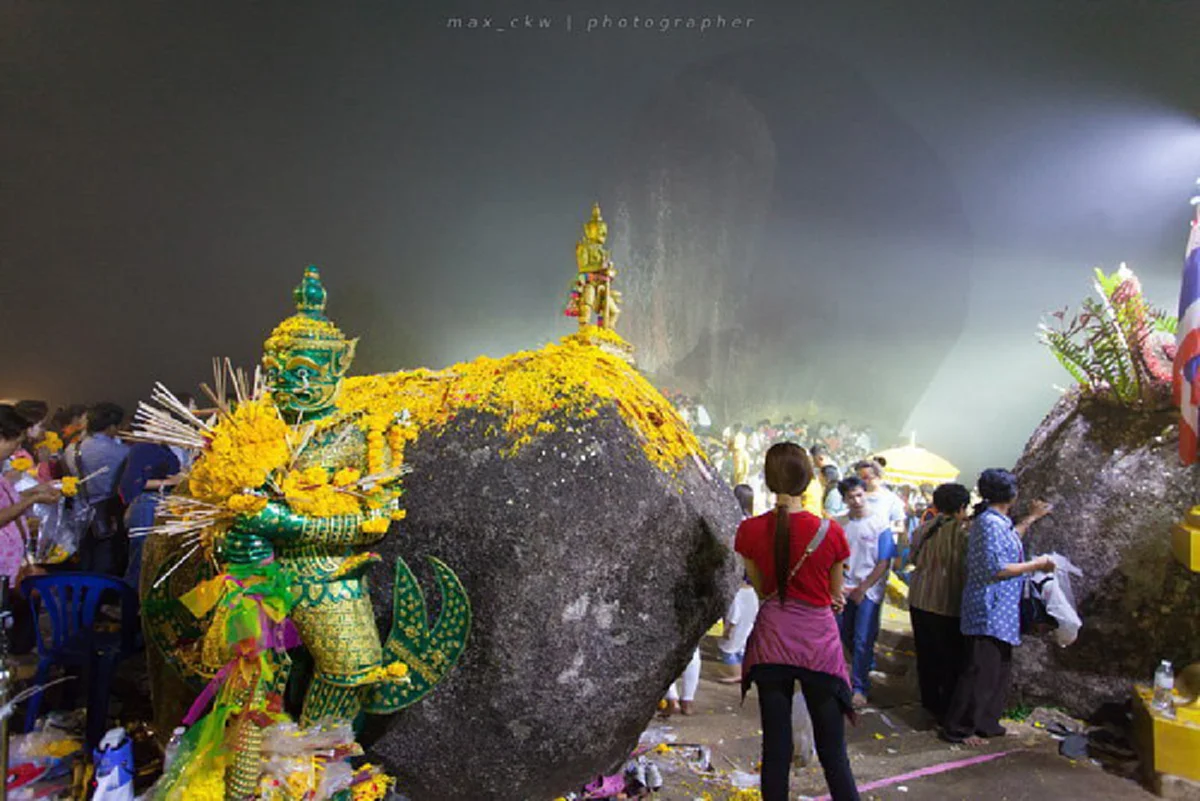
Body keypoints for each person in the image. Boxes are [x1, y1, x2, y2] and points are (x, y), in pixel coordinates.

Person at [735, 442, 859, 801]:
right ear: (807, 479)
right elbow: (834, 595)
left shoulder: (749, 530)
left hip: (771, 641)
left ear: (769, 480)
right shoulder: (830, 531)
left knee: (775, 748)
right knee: (833, 750)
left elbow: (762, 591)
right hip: (818, 645)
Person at [942, 469, 1054, 745]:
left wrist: (1031, 519)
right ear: (1012, 495)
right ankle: (959, 728)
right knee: (979, 670)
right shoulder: (989, 523)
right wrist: (1038, 564)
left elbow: (1011, 538)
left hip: (1002, 609)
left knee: (997, 669)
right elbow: (998, 568)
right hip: (988, 608)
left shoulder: (997, 521)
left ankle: (986, 723)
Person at [907, 483, 971, 721]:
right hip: (947, 603)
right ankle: (947, 711)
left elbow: (912, 557)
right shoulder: (965, 533)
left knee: (926, 655)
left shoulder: (922, 529)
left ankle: (930, 703)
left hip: (919, 598)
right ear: (962, 507)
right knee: (950, 660)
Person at [0, 405, 61, 651]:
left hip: (13, 566)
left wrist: (34, 491)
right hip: (3, 571)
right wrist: (32, 500)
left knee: (20, 632)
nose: (17, 449)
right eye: (14, 442)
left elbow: (7, 500)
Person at [836, 476, 896, 708]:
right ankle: (847, 677)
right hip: (844, 587)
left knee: (863, 639)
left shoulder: (880, 524)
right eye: (851, 497)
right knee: (843, 636)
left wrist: (864, 588)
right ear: (844, 500)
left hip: (868, 591)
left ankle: (860, 686)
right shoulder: (840, 524)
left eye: (860, 495)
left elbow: (883, 561)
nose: (857, 500)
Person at [78, 402, 130, 575]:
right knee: (107, 556)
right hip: (109, 506)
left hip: (84, 506)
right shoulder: (120, 451)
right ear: (111, 427)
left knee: (87, 555)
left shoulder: (78, 447)